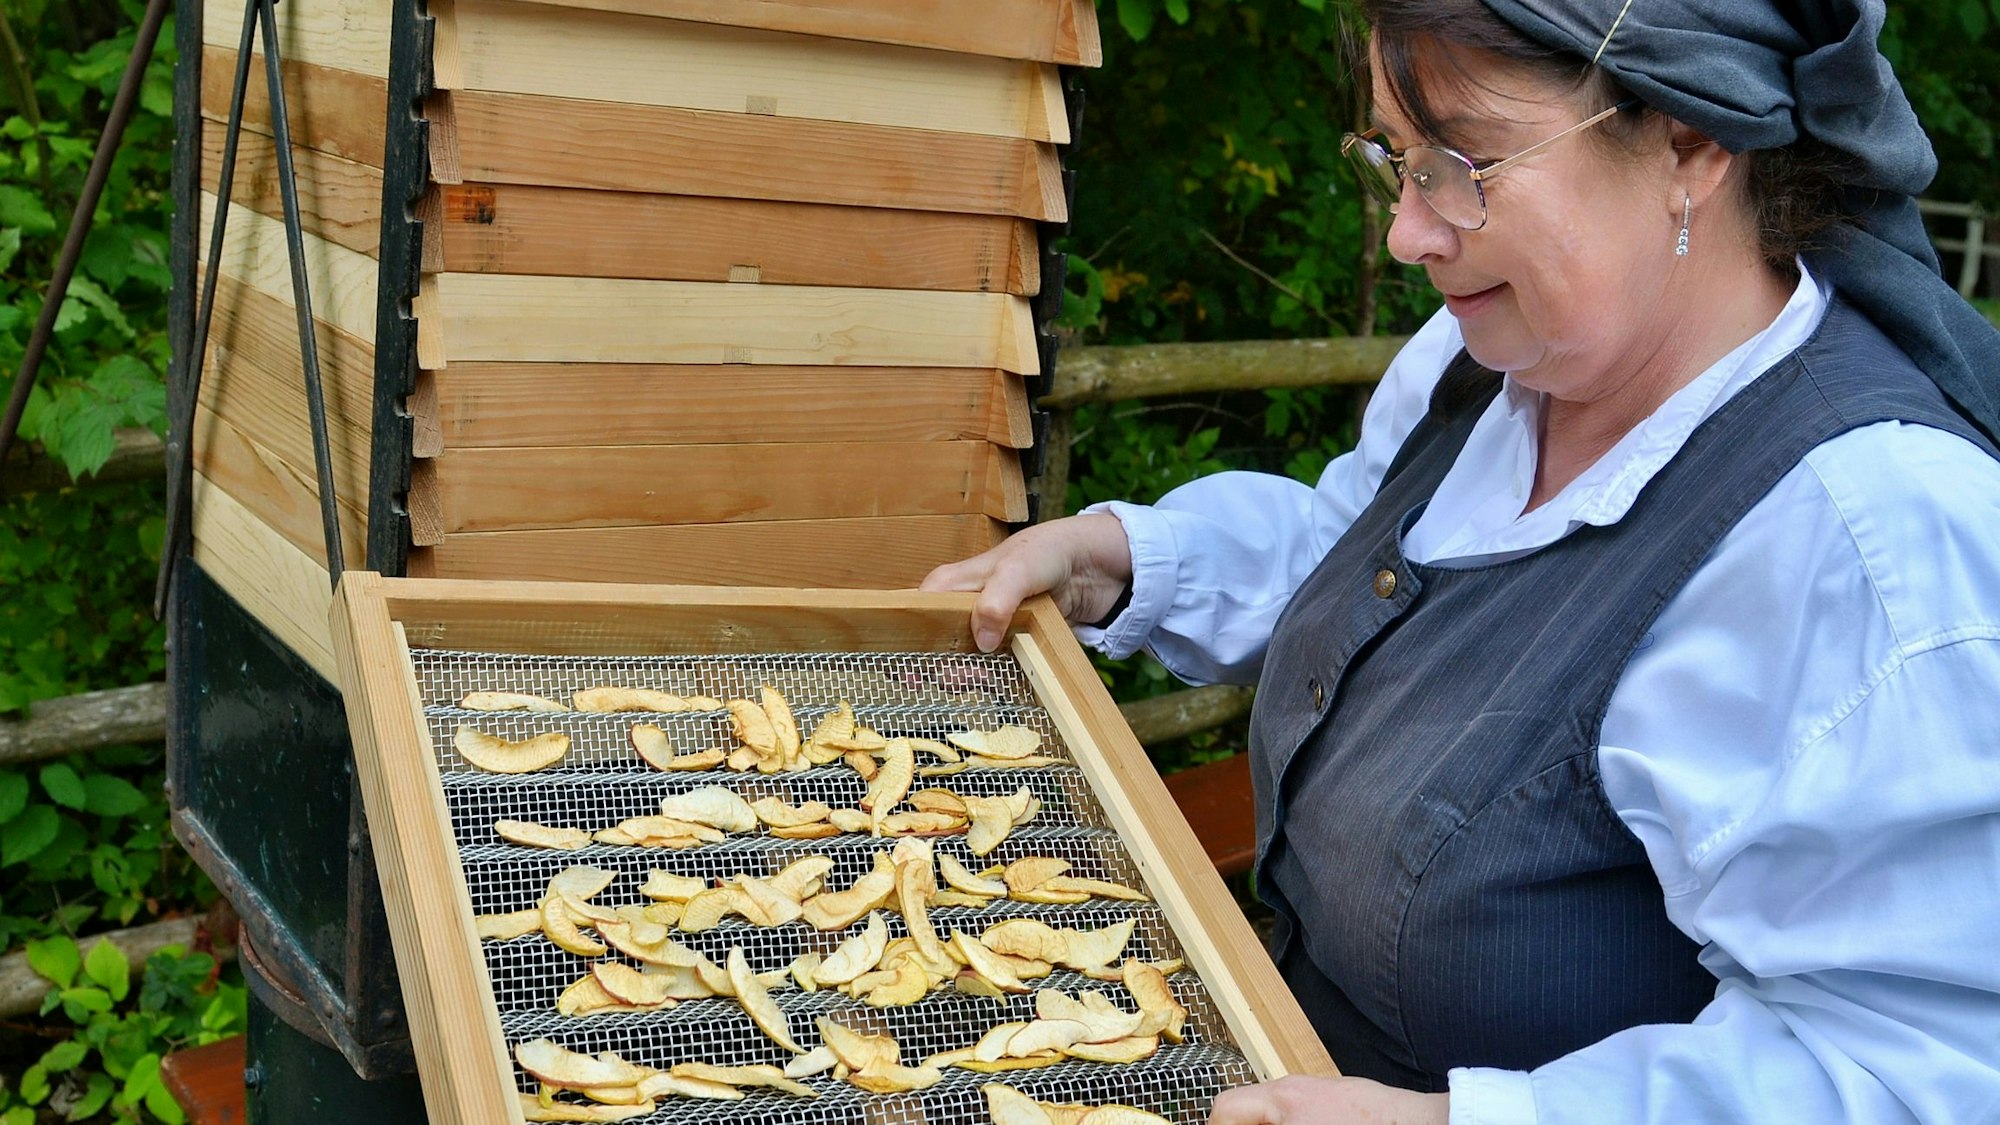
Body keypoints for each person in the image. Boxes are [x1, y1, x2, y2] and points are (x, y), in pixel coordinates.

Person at [921, 1, 2000, 1122]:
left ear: (1693, 142)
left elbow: (1918, 1072)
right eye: (1396, 159)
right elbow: (1357, 556)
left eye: (1462, 163)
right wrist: (1116, 560)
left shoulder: (1874, 544)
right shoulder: (1493, 351)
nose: (1407, 232)